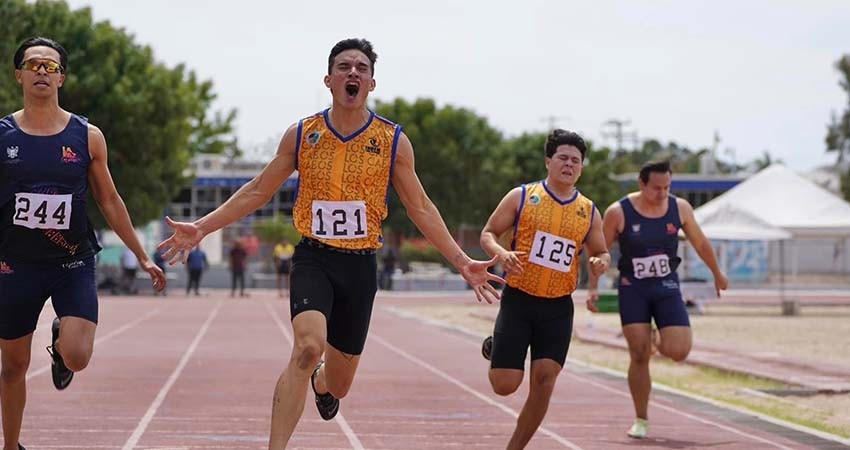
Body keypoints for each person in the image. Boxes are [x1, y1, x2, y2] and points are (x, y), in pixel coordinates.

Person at [157, 38, 503, 449]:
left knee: (339, 383)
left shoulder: (392, 141)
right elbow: (257, 190)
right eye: (343, 67)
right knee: (305, 348)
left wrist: (462, 261)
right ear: (328, 79)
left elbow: (421, 207)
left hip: (360, 267)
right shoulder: (303, 134)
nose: (352, 73)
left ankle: (324, 383)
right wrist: (203, 226)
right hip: (314, 258)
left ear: (372, 83)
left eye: (361, 68)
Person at [0, 37, 165, 450]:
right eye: (33, 64)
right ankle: (12, 444)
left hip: (71, 261)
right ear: (18, 74)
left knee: (77, 355)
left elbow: (109, 200)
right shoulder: (2, 135)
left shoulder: (86, 136)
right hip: (14, 264)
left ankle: (60, 340)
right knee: (12, 367)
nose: (42, 71)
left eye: (51, 67)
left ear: (61, 78)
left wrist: (142, 256)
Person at [479, 129, 610, 450]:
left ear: (581, 168)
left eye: (575, 160)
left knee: (544, 380)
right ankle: (498, 345)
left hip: (558, 307)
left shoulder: (589, 211)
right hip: (519, 301)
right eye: (563, 158)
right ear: (548, 161)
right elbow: (488, 233)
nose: (569, 164)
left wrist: (600, 262)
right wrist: (502, 254)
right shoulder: (522, 196)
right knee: (505, 385)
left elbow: (601, 251)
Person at [587, 160, 728, 439]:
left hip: (666, 286)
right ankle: (641, 418)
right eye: (656, 188)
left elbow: (700, 242)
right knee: (638, 354)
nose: (662, 194)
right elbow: (599, 251)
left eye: (667, 187)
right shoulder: (618, 212)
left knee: (679, 351)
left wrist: (716, 273)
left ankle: (656, 337)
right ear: (641, 184)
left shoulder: (680, 208)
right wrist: (593, 287)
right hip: (633, 288)